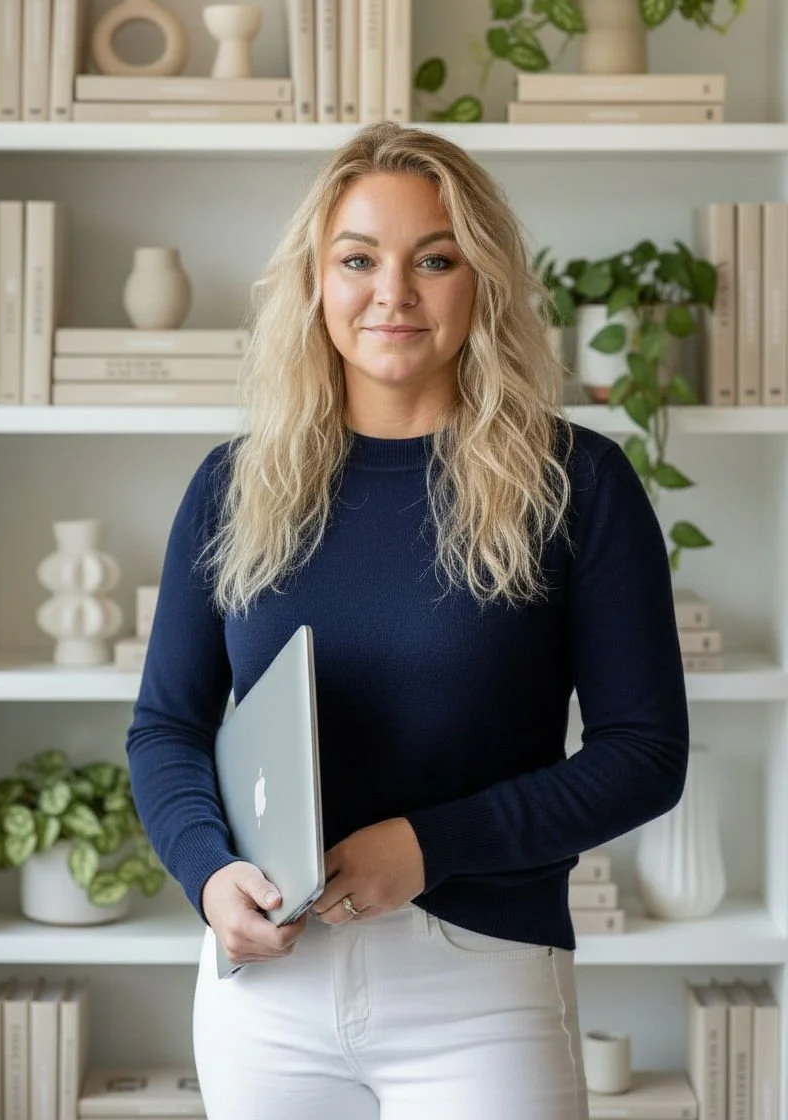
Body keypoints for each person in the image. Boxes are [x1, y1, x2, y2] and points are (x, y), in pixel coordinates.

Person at [126, 121, 689, 1120]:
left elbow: (644, 754)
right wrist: (210, 877)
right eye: (358, 260)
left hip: (482, 985)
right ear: (315, 281)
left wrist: (427, 847)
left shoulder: (577, 483)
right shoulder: (233, 487)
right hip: (267, 992)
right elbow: (166, 727)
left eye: (434, 259)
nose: (392, 292)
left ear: (480, 284)